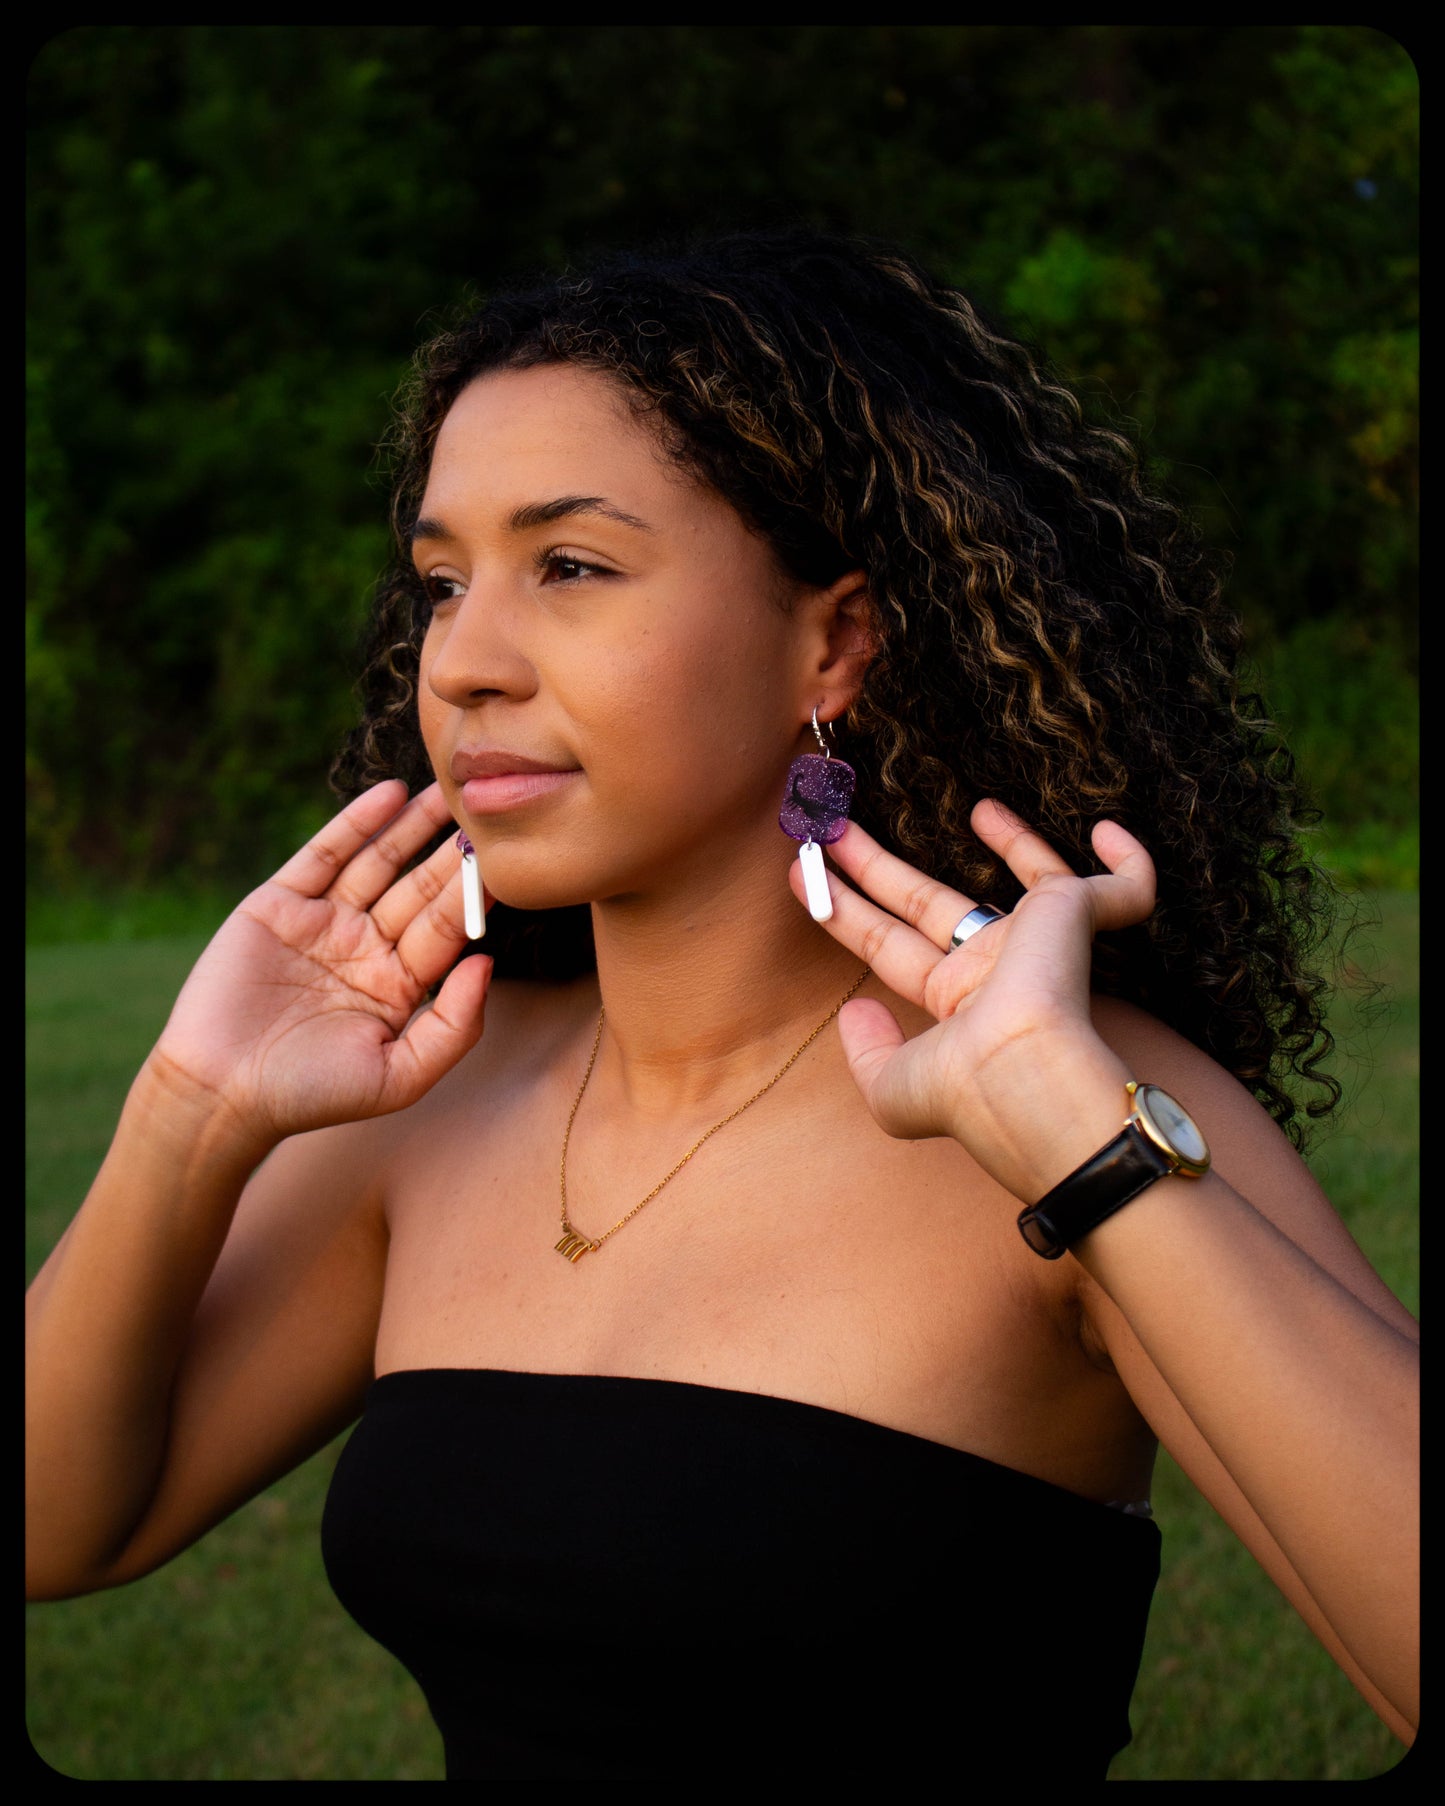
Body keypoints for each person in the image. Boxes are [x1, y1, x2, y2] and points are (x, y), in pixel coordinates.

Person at [25, 229, 1418, 1780]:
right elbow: (57, 1528)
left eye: (570, 565)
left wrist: (1075, 1139)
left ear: (831, 642)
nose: (464, 660)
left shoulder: (1074, 1106)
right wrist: (189, 1115)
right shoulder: (427, 1111)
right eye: (439, 580)